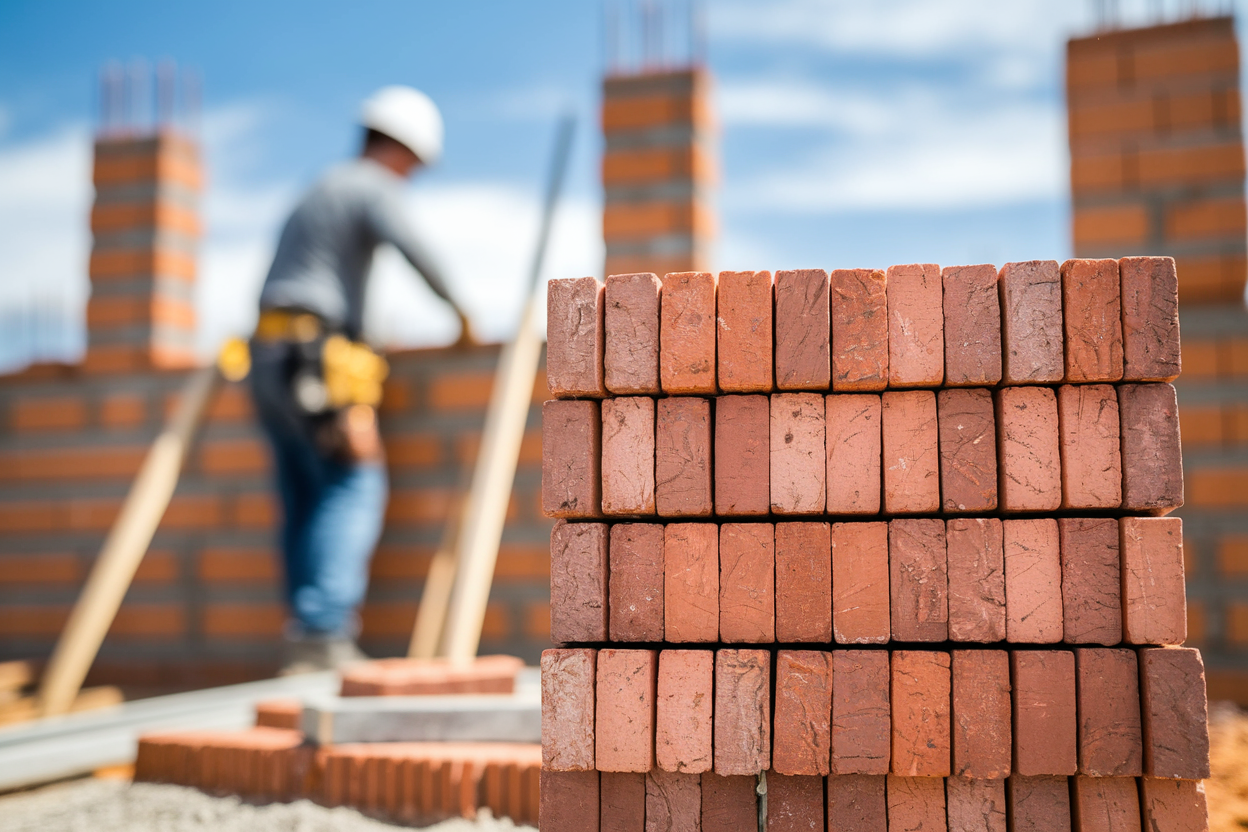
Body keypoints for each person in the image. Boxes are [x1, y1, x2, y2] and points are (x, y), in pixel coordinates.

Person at [249, 86, 471, 673]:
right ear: (401, 149)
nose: (412, 176)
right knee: (354, 481)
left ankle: (306, 635)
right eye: (415, 164)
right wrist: (461, 312)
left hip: (271, 354)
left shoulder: (321, 188)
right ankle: (323, 632)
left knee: (304, 491)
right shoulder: (370, 185)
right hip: (314, 353)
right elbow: (413, 245)